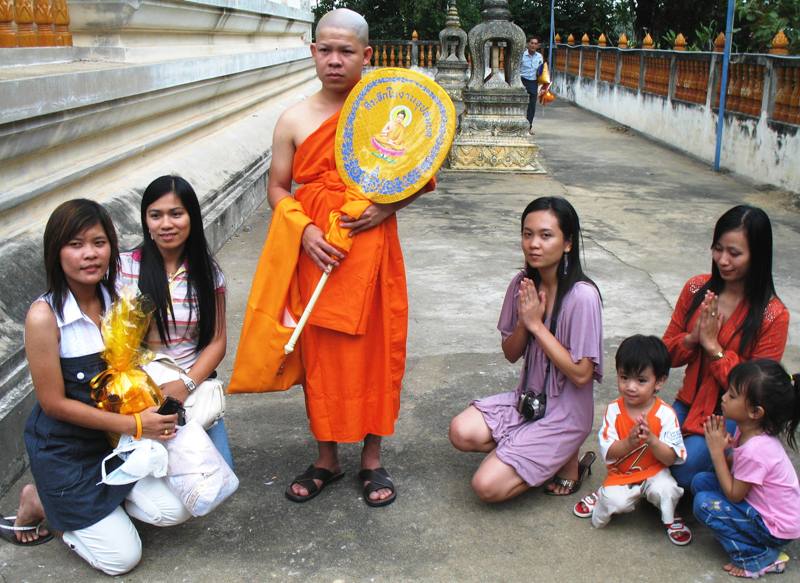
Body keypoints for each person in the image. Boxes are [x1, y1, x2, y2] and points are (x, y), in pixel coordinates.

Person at [231, 8, 432, 507]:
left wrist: (387, 208)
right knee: (320, 354)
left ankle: (371, 459)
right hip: (319, 250)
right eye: (326, 50)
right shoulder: (294, 120)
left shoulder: (386, 114)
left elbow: (418, 174)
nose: (335, 60)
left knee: (377, 352)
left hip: (373, 249)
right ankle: (326, 458)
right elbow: (278, 189)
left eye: (347, 51)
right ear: (313, 52)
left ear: (367, 55)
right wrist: (302, 232)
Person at [0, 200, 188, 575]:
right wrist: (136, 426)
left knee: (176, 509)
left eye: (98, 242)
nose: (89, 254)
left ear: (111, 248)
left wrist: (169, 391)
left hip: (114, 446)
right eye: (75, 244)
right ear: (56, 252)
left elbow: (136, 367)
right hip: (66, 452)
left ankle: (94, 512)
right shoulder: (45, 316)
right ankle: (42, 502)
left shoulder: (119, 302)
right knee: (122, 560)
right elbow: (52, 404)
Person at [449, 196, 602, 501]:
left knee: (486, 487)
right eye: (528, 234)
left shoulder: (582, 297)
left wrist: (537, 326)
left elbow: (582, 374)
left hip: (565, 414)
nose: (534, 244)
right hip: (527, 401)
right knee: (460, 431)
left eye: (546, 236)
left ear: (568, 243)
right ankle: (549, 454)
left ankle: (563, 455)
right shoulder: (523, 283)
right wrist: (524, 322)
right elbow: (510, 353)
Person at [663, 205, 789, 490]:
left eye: (735, 253)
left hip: (731, 414)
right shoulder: (697, 289)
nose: (723, 260)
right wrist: (691, 339)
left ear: (757, 256)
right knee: (647, 450)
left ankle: (730, 464)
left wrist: (713, 347)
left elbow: (757, 389)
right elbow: (663, 356)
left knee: (681, 473)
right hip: (688, 402)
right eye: (718, 249)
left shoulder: (773, 315)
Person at [117, 175, 233, 469]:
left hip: (189, 389)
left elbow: (217, 341)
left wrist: (186, 384)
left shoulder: (209, 275)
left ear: (192, 217)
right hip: (134, 394)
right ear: (146, 221)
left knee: (220, 475)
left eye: (176, 214)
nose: (166, 224)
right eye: (156, 215)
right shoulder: (124, 267)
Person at [572, 335, 692, 545]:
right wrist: (630, 442)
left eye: (641, 380)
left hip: (655, 472)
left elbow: (671, 458)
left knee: (668, 491)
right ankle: (602, 494)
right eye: (624, 377)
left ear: (660, 381)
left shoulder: (665, 414)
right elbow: (609, 452)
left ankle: (670, 518)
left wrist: (652, 440)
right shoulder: (614, 411)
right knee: (612, 503)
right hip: (622, 474)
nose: (631, 386)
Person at [693, 360, 800, 579]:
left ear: (755, 412)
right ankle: (744, 535)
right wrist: (725, 450)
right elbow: (735, 470)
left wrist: (715, 452)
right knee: (701, 481)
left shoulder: (758, 449)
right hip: (761, 509)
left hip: (774, 528)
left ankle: (758, 557)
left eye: (732, 396)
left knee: (704, 505)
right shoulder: (748, 431)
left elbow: (734, 494)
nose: (724, 397)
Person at [520, 36, 546, 134]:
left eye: (535, 44)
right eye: (532, 43)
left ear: (538, 46)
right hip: (522, 81)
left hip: (533, 82)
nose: (533, 45)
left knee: (532, 107)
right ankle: (518, 125)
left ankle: (528, 127)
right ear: (528, 44)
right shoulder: (522, 55)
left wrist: (543, 86)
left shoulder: (539, 56)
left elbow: (541, 71)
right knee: (521, 104)